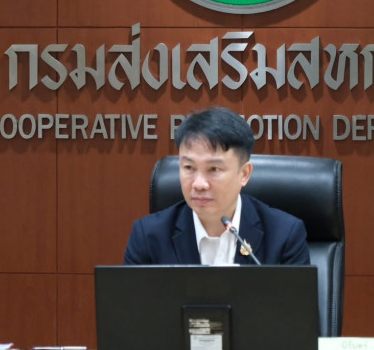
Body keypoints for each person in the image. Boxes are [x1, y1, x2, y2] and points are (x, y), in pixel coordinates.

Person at [123, 106, 310, 266]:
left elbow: (296, 299)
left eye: (213, 169)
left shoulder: (284, 236)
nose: (199, 184)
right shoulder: (148, 237)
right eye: (188, 168)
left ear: (244, 174)